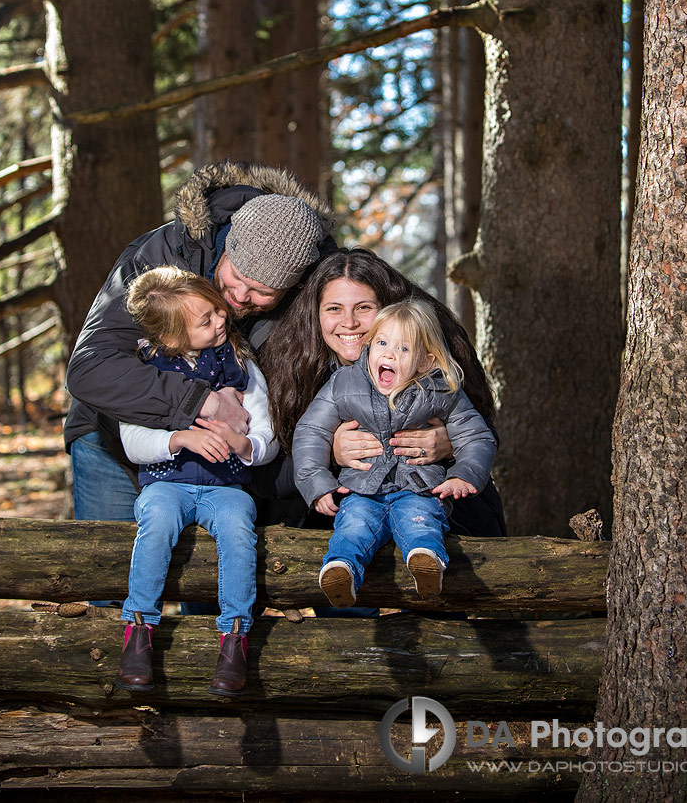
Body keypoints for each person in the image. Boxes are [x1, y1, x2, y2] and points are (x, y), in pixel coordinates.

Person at [64, 161, 333, 524]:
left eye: (262, 291)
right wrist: (199, 401)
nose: (238, 296)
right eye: (236, 275)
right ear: (227, 244)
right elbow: (91, 369)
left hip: (230, 469)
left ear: (293, 287)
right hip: (116, 446)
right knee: (107, 572)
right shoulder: (161, 258)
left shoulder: (318, 288)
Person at [256, 247, 507, 538]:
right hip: (345, 519)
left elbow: (484, 433)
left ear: (388, 307)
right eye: (334, 309)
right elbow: (264, 477)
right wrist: (331, 454)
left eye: (364, 308)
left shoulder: (431, 351)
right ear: (315, 314)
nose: (349, 323)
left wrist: (450, 444)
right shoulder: (292, 366)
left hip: (445, 515)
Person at [115, 267, 278, 698]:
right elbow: (132, 441)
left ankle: (234, 638)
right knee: (158, 521)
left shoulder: (242, 366)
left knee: (239, 531)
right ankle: (139, 628)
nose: (220, 321)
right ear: (170, 339)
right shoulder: (149, 371)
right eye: (204, 321)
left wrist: (243, 445)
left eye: (216, 310)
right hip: (167, 483)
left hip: (227, 486)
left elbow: (268, 436)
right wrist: (181, 437)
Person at [292, 300, 497, 605]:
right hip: (362, 488)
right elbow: (311, 432)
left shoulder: (441, 392)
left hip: (419, 487)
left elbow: (477, 436)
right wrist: (318, 485)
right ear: (370, 346)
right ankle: (341, 568)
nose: (388, 353)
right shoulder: (344, 385)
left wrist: (463, 475)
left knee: (420, 518)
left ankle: (426, 560)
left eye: (403, 349)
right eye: (382, 343)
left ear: (425, 362)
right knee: (353, 524)